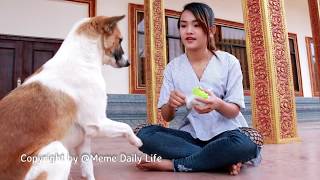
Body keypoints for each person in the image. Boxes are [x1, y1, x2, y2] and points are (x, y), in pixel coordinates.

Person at [135, 2, 261, 175]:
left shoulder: (229, 62)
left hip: (227, 135)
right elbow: (166, 116)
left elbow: (233, 111)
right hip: (190, 138)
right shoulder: (173, 67)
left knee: (247, 142)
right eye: (183, 25)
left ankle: (174, 164)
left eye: (196, 25)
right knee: (142, 134)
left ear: (211, 30)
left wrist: (217, 104)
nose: (188, 31)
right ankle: (219, 161)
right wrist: (171, 104)